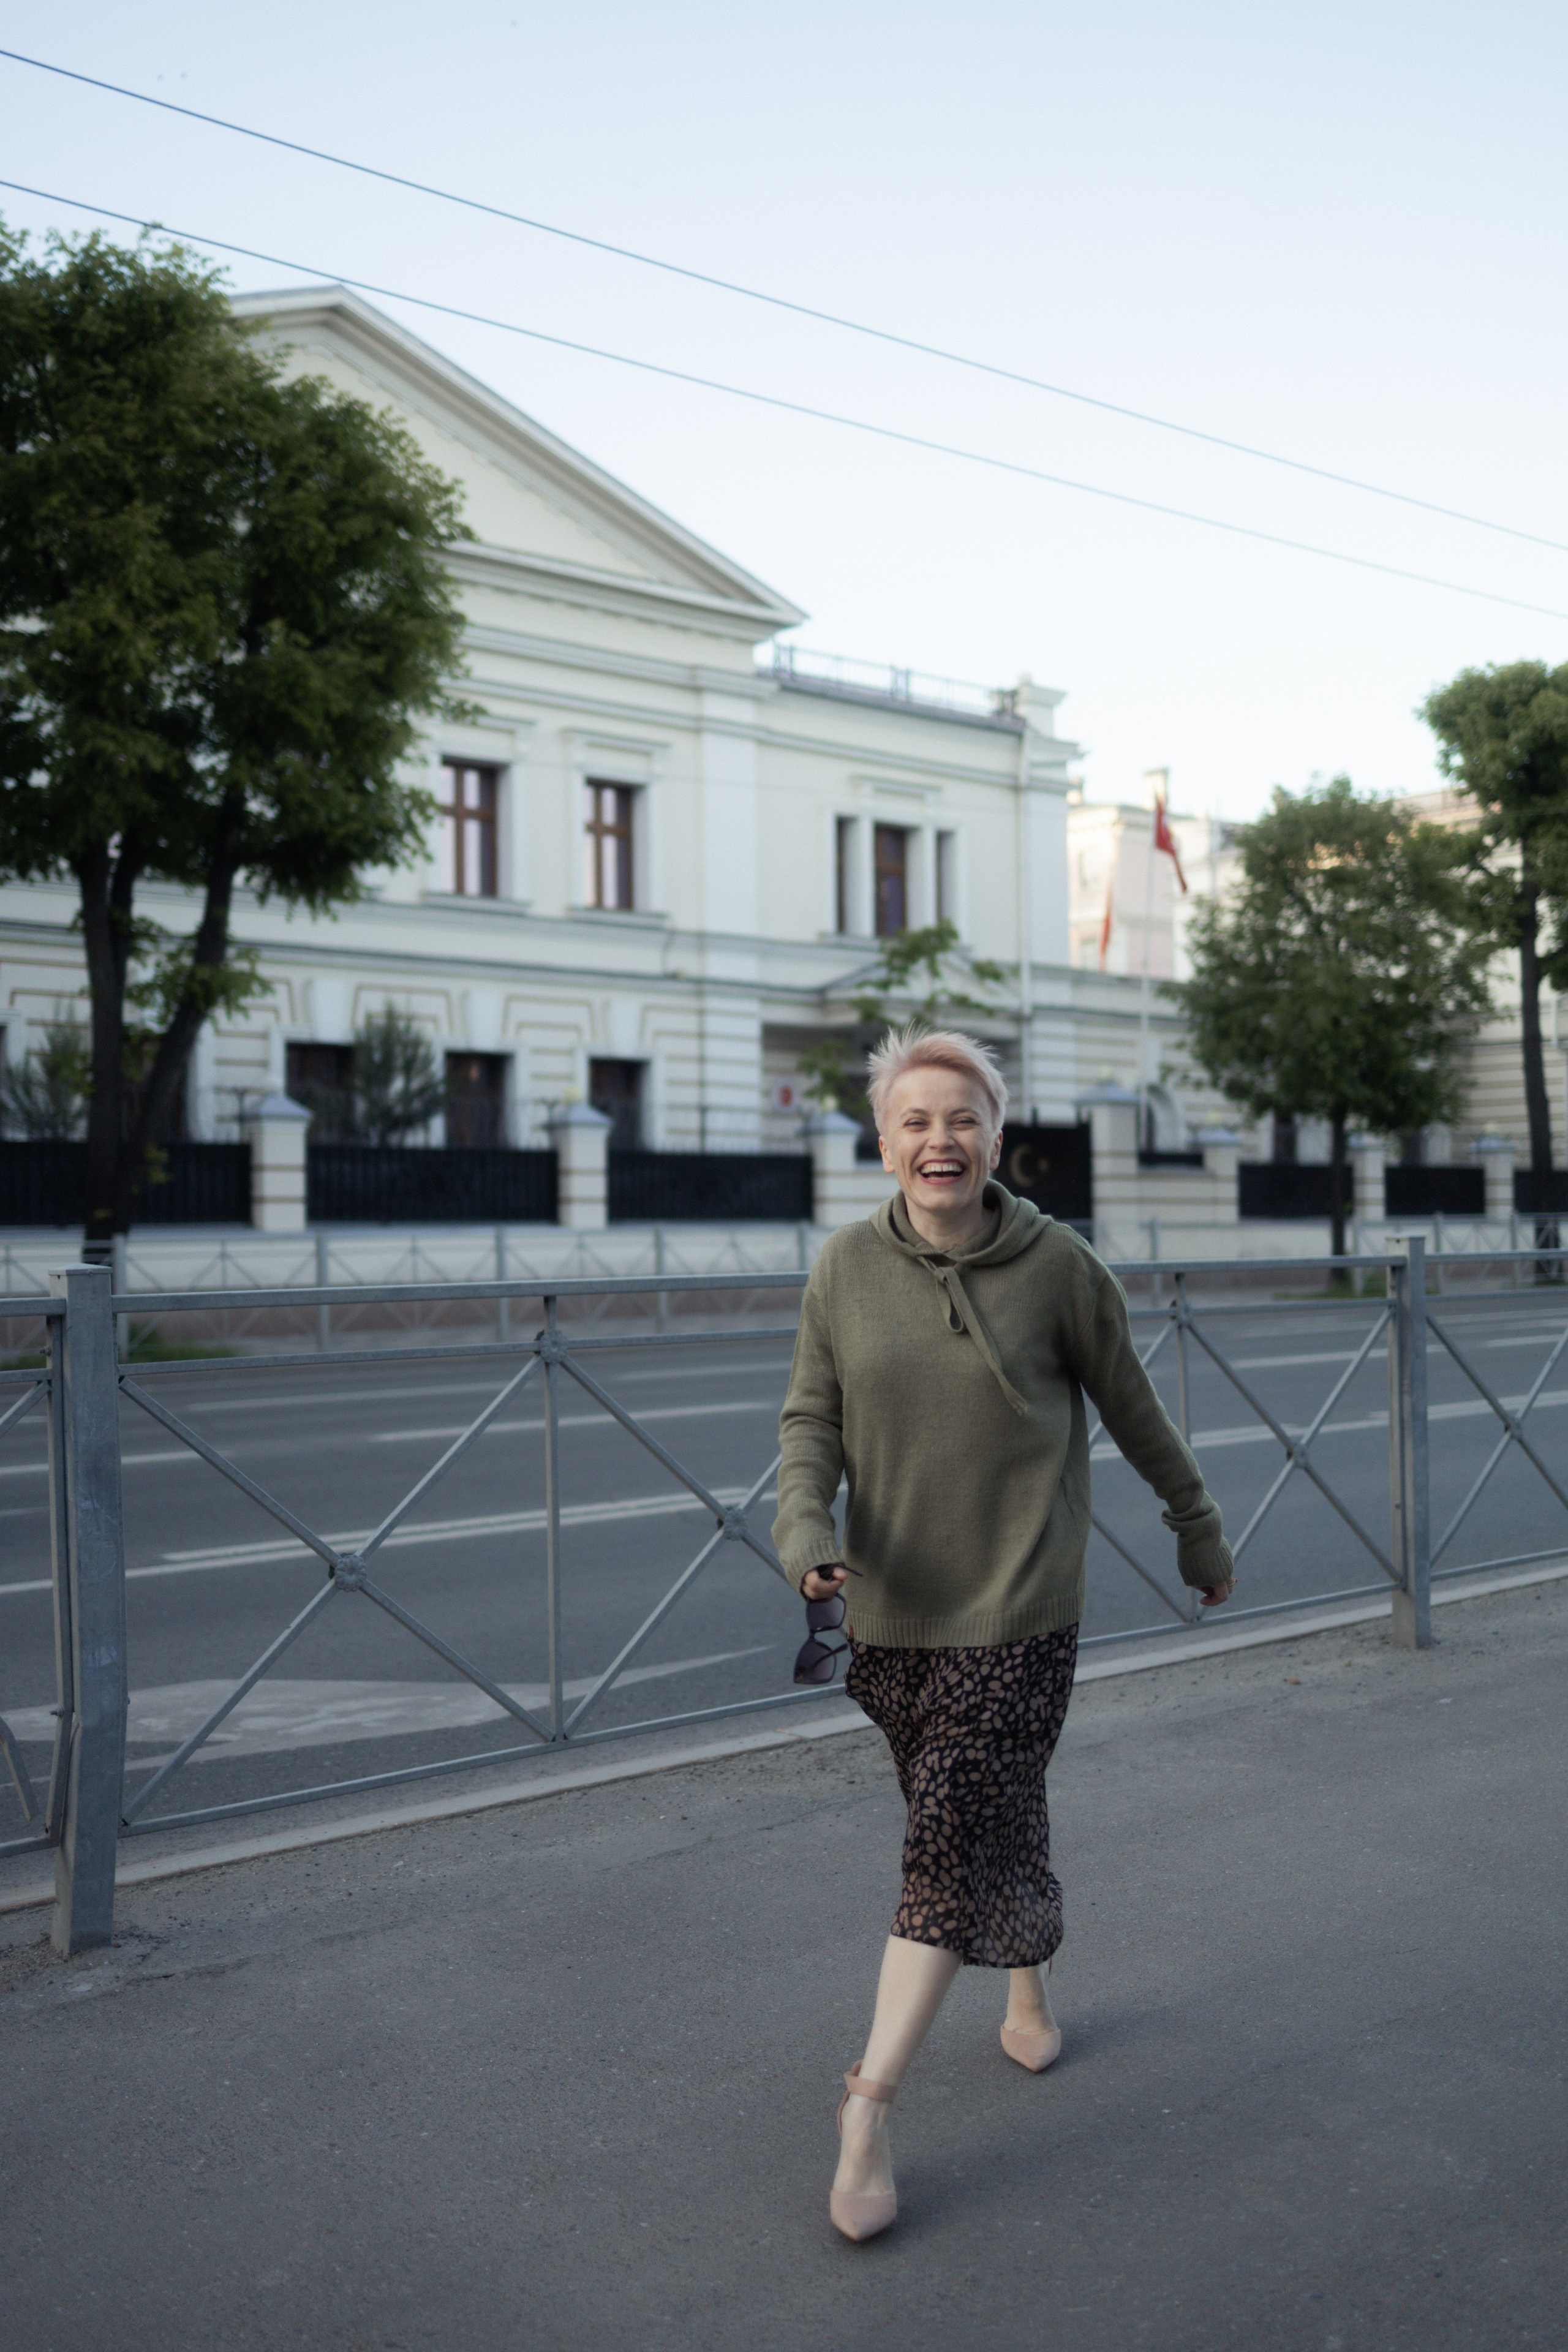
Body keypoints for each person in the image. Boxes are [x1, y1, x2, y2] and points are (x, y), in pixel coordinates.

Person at [773, 1026, 1234, 2242]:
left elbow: (1131, 1409)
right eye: (915, 1120)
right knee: (972, 1806)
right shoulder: (839, 1271)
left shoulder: (1057, 1267)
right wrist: (801, 1530)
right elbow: (807, 1422)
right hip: (891, 1606)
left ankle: (866, 2110)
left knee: (940, 1841)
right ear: (882, 1141)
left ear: (995, 1133)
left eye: (962, 1117)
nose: (940, 1139)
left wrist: (1196, 1526)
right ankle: (1022, 1982)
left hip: (1023, 1602)